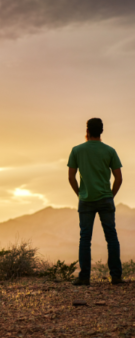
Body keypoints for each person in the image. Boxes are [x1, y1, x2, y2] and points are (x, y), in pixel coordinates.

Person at [67, 118, 124, 285]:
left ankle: (84, 277)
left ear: (87, 131)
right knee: (111, 237)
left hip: (86, 199)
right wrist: (110, 196)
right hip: (105, 198)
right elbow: (119, 178)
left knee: (85, 238)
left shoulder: (77, 150)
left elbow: (71, 177)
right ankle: (116, 276)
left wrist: (80, 193)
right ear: (101, 131)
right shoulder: (110, 151)